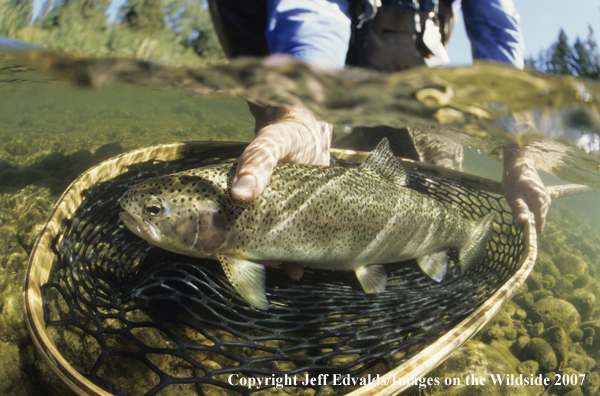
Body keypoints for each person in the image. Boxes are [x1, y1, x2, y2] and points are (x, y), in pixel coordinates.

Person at [207, 0, 550, 280]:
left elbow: (498, 39)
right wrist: (302, 113)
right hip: (329, 73)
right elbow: (314, 10)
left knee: (438, 202)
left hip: (419, 82)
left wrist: (518, 156)